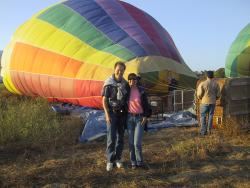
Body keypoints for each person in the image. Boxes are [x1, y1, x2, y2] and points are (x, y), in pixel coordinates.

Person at [102, 61, 130, 171]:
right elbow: (104, 100)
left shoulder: (125, 84)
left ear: (124, 71)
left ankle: (118, 158)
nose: (120, 71)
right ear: (114, 69)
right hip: (112, 114)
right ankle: (110, 160)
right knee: (111, 138)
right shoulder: (108, 83)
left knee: (120, 138)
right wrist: (107, 114)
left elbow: (128, 99)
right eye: (118, 69)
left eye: (122, 70)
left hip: (122, 114)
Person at [126, 73, 152, 169]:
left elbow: (146, 104)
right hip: (129, 118)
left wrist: (146, 116)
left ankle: (140, 162)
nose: (133, 82)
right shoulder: (126, 91)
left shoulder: (141, 91)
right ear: (128, 81)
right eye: (131, 80)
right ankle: (133, 162)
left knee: (137, 143)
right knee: (131, 143)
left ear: (137, 81)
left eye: (135, 80)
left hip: (139, 118)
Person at [197, 71, 221, 135]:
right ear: (213, 76)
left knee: (203, 116)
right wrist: (215, 98)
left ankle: (203, 132)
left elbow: (199, 94)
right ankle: (209, 131)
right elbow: (218, 94)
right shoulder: (216, 84)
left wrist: (200, 98)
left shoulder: (202, 83)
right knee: (210, 116)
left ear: (206, 76)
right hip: (213, 102)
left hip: (204, 102)